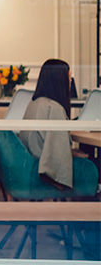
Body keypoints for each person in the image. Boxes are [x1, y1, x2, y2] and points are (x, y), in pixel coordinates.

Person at [19, 59, 85, 190]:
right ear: (59, 80)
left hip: (29, 162)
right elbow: (57, 158)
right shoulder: (54, 108)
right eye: (69, 77)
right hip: (41, 170)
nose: (71, 81)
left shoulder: (35, 103)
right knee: (94, 165)